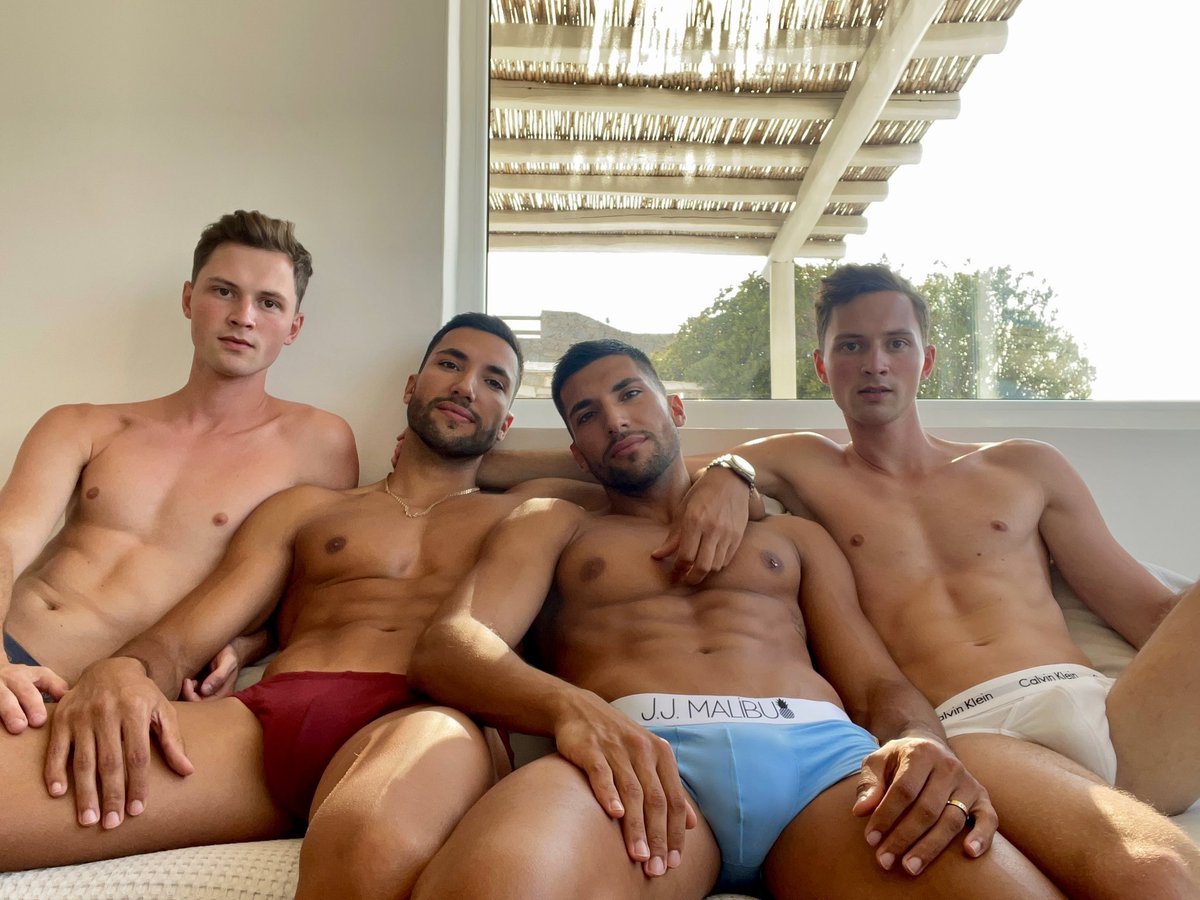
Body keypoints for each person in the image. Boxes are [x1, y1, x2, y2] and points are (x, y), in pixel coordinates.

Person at [406, 339, 1061, 899]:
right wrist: (569, 709)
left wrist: (921, 739)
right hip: (637, 762)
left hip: (826, 769)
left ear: (676, 409)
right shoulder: (558, 524)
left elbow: (875, 685)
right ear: (578, 452)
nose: (615, 419)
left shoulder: (793, 536)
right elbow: (451, 647)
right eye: (588, 414)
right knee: (492, 884)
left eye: (631, 395)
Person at [0, 314, 601, 897]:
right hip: (269, 718)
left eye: (493, 382)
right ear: (412, 387)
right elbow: (186, 637)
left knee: (367, 843)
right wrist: (126, 670)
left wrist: (491, 459)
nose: (466, 386)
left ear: (507, 422)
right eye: (450, 365)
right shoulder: (308, 508)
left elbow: (628, 465)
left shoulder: (523, 512)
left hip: (430, 716)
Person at [672, 263, 1200, 896]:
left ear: (925, 361)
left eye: (896, 343)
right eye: (851, 345)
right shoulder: (805, 464)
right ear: (822, 367)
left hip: (1110, 710)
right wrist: (730, 469)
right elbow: (641, 468)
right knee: (1154, 872)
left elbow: (1149, 613)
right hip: (975, 733)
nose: (875, 363)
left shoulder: (1026, 466)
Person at [0, 210, 359, 732]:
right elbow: (6, 541)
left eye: (269, 302)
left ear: (294, 327)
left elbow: (310, 594)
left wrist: (244, 644)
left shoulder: (318, 444)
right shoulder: (83, 425)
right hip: (14, 656)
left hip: (134, 696)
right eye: (224, 292)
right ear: (189, 299)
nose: (243, 316)